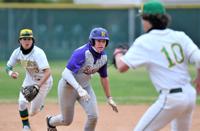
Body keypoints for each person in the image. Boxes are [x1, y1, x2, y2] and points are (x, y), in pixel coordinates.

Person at [113, 0, 200, 131]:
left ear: (148, 19)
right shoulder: (179, 36)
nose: (142, 22)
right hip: (189, 96)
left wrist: (118, 53)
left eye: (142, 18)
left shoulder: (144, 41)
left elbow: (121, 66)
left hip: (171, 99)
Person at [46, 27, 118, 131]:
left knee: (93, 116)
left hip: (85, 87)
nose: (101, 43)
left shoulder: (104, 57)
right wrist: (79, 89)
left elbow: (104, 77)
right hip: (68, 88)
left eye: (104, 41)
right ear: (92, 41)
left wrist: (109, 98)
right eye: (98, 41)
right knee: (66, 120)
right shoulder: (82, 53)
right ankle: (50, 121)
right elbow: (65, 73)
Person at [6, 29, 53, 131]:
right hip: (29, 79)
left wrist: (38, 86)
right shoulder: (17, 53)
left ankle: (40, 105)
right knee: (22, 102)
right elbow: (8, 67)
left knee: (32, 112)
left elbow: (48, 72)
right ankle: (26, 126)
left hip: (44, 82)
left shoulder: (38, 53)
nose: (27, 41)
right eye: (24, 39)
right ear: (20, 41)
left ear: (33, 41)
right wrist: (11, 73)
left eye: (29, 39)